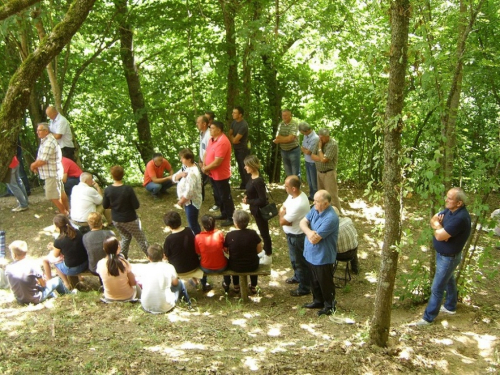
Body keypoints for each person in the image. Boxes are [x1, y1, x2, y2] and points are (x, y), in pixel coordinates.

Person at [415, 187, 471, 326]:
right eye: (447, 197)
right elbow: (434, 219)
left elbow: (440, 235)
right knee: (449, 279)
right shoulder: (450, 211)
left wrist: (438, 228)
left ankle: (428, 318)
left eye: (450, 198)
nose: (446, 200)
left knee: (437, 288)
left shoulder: (460, 218)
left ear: (459, 203)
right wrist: (439, 227)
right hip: (444, 255)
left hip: (449, 257)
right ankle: (451, 306)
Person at [300, 190, 339, 316]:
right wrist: (310, 232)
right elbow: (302, 222)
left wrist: (310, 233)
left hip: (323, 256)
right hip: (310, 254)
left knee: (325, 282)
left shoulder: (331, 218)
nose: (314, 203)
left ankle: (329, 305)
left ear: (326, 203)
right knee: (314, 281)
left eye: (317, 201)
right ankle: (318, 300)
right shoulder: (315, 210)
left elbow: (315, 240)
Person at [5, 240, 73, 304]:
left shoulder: (8, 268)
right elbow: (43, 284)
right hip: (36, 298)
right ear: (26, 252)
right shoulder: (32, 265)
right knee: (57, 280)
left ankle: (52, 295)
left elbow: (13, 285)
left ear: (13, 254)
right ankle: (69, 294)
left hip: (20, 300)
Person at [103, 165, 148, 258]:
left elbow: (105, 205)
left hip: (116, 220)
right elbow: (136, 205)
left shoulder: (108, 190)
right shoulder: (127, 189)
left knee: (125, 237)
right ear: (123, 175)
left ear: (112, 175)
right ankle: (152, 256)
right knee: (141, 238)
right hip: (129, 219)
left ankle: (122, 257)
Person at [279, 175, 311, 296]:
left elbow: (282, 221)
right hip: (291, 234)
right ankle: (298, 277)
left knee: (300, 262)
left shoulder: (300, 203)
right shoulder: (292, 196)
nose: (284, 188)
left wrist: (282, 214)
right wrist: (283, 213)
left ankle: (304, 287)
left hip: (298, 237)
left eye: (286, 186)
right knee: (294, 259)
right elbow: (283, 207)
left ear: (293, 188)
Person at [163, 211, 211, 291]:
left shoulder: (169, 239)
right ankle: (204, 284)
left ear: (169, 226)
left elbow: (166, 255)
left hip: (177, 269)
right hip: (193, 265)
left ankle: (174, 288)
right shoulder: (189, 231)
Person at [30, 123, 69, 215]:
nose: (37, 132)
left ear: (46, 131)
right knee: (60, 193)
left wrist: (33, 165)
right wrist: (37, 166)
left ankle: (64, 212)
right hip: (54, 172)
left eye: (39, 130)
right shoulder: (46, 140)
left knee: (53, 195)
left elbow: (43, 160)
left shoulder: (49, 142)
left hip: (52, 173)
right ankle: (66, 210)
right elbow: (41, 156)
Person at [140, 244, 192, 313]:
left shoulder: (144, 268)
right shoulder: (169, 267)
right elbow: (175, 283)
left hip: (146, 305)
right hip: (165, 306)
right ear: (163, 256)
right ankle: (188, 303)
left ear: (148, 258)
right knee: (180, 283)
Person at [42, 214, 89, 290]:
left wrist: (54, 247)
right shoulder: (78, 232)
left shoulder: (59, 240)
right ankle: (80, 277)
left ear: (57, 227)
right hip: (85, 263)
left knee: (56, 262)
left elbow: (55, 255)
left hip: (73, 269)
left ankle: (66, 283)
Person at [202, 120, 235, 227]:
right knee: (218, 195)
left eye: (212, 128)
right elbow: (206, 153)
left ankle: (231, 216)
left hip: (221, 175)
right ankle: (224, 213)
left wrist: (206, 168)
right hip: (212, 173)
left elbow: (217, 162)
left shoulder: (223, 142)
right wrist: (204, 166)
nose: (210, 130)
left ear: (219, 130)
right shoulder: (212, 139)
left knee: (225, 196)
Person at [222, 210, 263, 295]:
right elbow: (259, 249)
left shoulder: (230, 235)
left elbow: (226, 250)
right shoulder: (253, 233)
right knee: (254, 259)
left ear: (235, 223)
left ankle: (236, 286)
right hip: (252, 265)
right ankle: (253, 286)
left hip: (235, 266)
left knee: (233, 261)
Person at [242, 155, 272, 265]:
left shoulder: (258, 181)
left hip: (260, 211)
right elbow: (251, 191)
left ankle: (268, 255)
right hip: (255, 210)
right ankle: (265, 250)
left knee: (264, 233)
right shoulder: (252, 177)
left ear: (252, 166)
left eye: (246, 165)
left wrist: (248, 201)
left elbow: (262, 200)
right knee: (262, 231)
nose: (245, 167)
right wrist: (247, 196)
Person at [96, 236, 140, 302]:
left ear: (104, 249)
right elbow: (133, 283)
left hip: (109, 297)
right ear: (118, 248)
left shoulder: (100, 263)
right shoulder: (124, 263)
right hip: (128, 297)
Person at [171, 149, 202, 235]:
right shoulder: (185, 167)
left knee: (192, 224)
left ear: (189, 159)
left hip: (191, 202)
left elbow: (190, 191)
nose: (181, 160)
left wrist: (180, 202)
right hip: (187, 202)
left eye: (182, 158)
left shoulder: (192, 172)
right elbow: (173, 178)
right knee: (193, 222)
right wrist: (180, 175)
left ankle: (197, 240)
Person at [310, 128, 342, 211]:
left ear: (327, 136)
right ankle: (323, 212)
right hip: (319, 172)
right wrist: (321, 158)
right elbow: (312, 156)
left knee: (332, 195)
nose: (321, 139)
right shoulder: (318, 141)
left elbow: (325, 160)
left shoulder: (332, 144)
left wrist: (320, 149)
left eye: (322, 137)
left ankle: (338, 213)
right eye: (319, 137)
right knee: (321, 195)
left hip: (329, 173)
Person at [82, 212, 115, 278]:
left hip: (94, 268)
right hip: (109, 266)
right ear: (101, 222)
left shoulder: (85, 237)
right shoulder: (110, 233)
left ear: (89, 224)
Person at [273, 109, 300, 178]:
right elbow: (277, 136)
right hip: (284, 151)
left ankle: (296, 187)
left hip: (293, 150)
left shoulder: (294, 124)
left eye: (286, 115)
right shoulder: (281, 124)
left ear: (290, 116)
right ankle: (290, 187)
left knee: (295, 172)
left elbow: (291, 138)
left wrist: (281, 140)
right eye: (283, 115)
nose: (284, 117)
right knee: (288, 172)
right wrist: (286, 138)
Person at [228, 106, 250, 189]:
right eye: (233, 112)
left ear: (240, 115)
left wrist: (233, 139)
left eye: (235, 113)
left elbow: (234, 139)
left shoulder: (243, 125)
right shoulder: (234, 122)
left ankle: (248, 185)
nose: (232, 114)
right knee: (240, 167)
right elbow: (230, 134)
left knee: (245, 167)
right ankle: (244, 184)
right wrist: (233, 138)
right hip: (236, 148)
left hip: (243, 149)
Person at [333, 207, 359, 275]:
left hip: (340, 255)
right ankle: (355, 268)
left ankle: (328, 271)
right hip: (354, 250)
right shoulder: (348, 220)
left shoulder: (332, 229)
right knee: (351, 244)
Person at [204, 111, 220, 213]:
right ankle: (218, 203)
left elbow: (217, 160)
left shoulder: (220, 140)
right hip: (208, 167)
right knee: (214, 187)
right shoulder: (209, 136)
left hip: (217, 171)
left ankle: (219, 204)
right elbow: (207, 151)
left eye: (206, 119)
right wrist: (204, 163)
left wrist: (206, 167)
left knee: (219, 189)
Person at [299, 122, 319, 201]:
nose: (302, 134)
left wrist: (304, 149)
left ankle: (316, 197)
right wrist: (304, 149)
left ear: (306, 130)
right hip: (307, 161)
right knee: (309, 180)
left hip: (313, 163)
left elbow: (308, 152)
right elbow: (304, 147)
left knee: (314, 181)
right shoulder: (305, 136)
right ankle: (311, 195)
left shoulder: (315, 138)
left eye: (302, 132)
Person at [196, 115, 212, 202]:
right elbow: (201, 148)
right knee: (200, 179)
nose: (196, 124)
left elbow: (208, 150)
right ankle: (200, 197)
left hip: (208, 163)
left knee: (211, 182)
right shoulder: (202, 133)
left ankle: (218, 202)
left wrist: (204, 164)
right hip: (203, 162)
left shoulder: (209, 134)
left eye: (198, 122)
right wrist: (200, 160)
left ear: (204, 124)